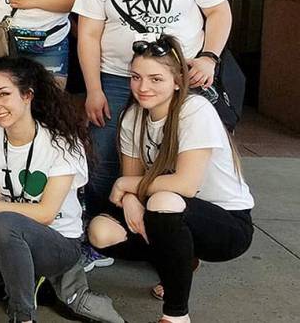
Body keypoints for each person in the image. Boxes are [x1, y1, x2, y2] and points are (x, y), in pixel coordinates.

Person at [73, 0, 231, 223]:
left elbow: (218, 12)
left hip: (179, 75)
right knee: (103, 155)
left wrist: (209, 57)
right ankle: (111, 227)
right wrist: (94, 89)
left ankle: (167, 231)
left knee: (174, 155)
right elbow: (88, 34)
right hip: (117, 77)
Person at [0, 57, 120, 323]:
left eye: (4, 94)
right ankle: (27, 278)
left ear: (27, 95)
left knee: (5, 222)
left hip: (58, 242)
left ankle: (22, 315)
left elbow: (46, 213)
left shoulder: (61, 143)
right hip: (9, 237)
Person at [88, 36, 253, 323]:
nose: (143, 87)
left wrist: (125, 187)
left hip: (226, 224)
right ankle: (180, 261)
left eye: (156, 79)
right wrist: (129, 197)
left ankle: (176, 315)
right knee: (100, 231)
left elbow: (186, 185)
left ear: (177, 81)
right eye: (136, 77)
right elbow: (132, 178)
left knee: (164, 201)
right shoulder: (133, 117)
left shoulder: (195, 110)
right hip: (168, 211)